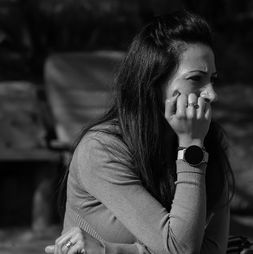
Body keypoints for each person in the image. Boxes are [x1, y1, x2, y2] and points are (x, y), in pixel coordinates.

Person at [45, 10, 234, 254]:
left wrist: (111, 251)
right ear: (154, 84)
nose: (211, 93)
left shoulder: (209, 141)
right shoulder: (103, 149)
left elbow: (211, 249)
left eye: (213, 79)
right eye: (196, 79)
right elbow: (181, 250)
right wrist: (191, 148)